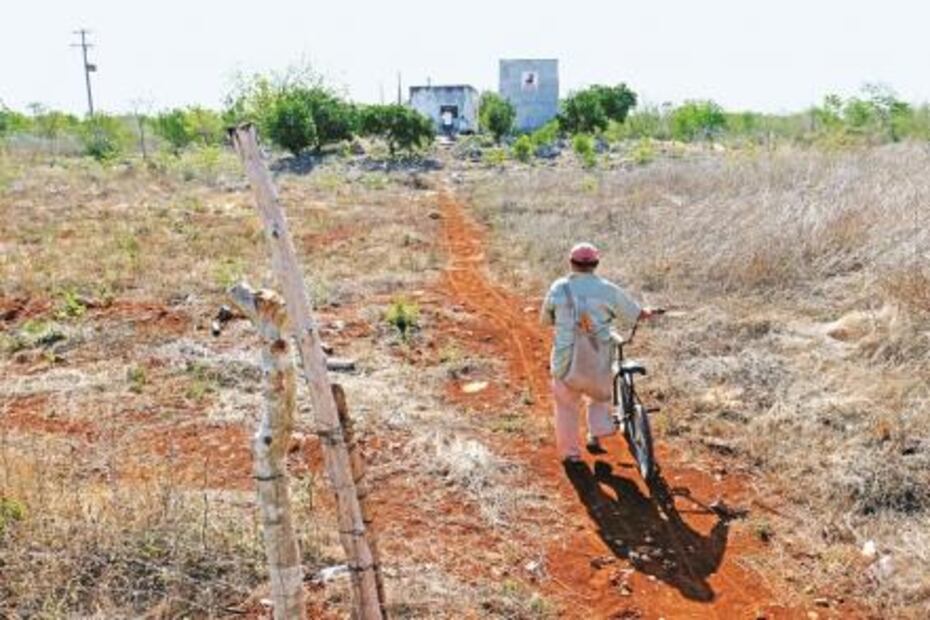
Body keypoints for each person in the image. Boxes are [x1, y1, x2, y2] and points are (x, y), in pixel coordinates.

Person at [541, 242, 659, 463]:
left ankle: (571, 454)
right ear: (596, 263)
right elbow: (633, 314)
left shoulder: (558, 288)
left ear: (571, 263)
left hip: (565, 360)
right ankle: (598, 431)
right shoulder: (608, 289)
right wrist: (647, 312)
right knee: (598, 394)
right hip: (597, 358)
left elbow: (546, 319)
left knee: (566, 407)